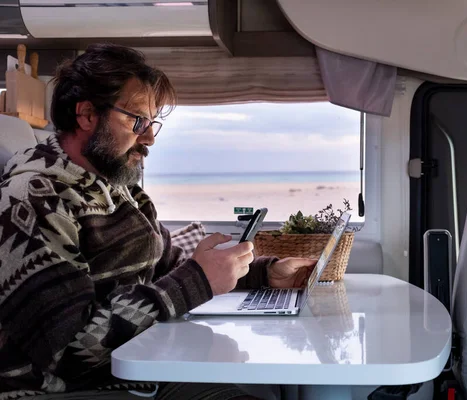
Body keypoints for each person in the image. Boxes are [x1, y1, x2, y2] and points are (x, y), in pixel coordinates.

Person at [0, 43, 316, 400]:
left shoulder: (120, 188)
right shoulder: (33, 199)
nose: (148, 138)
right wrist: (197, 280)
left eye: (152, 123)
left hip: (140, 363)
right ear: (87, 115)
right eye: (137, 121)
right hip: (68, 389)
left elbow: (167, 265)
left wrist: (262, 274)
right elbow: (72, 350)